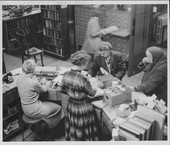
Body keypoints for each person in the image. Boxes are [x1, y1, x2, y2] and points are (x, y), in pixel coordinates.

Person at [61, 51, 104, 141]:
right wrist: (96, 85)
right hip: (83, 106)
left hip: (72, 104)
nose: (88, 65)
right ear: (83, 63)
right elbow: (92, 93)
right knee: (85, 127)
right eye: (87, 63)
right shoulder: (81, 78)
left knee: (74, 124)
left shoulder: (65, 74)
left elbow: (63, 88)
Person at [17, 59, 62, 129]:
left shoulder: (19, 78)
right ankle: (53, 127)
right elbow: (45, 90)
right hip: (34, 110)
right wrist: (44, 82)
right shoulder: (33, 83)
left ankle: (45, 123)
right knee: (59, 107)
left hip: (25, 109)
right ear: (33, 70)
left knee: (45, 102)